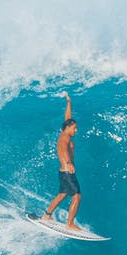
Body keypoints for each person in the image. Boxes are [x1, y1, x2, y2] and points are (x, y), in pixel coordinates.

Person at [42, 92, 82, 230]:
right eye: (74, 128)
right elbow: (63, 150)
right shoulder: (64, 139)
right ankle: (70, 224)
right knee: (77, 196)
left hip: (64, 172)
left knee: (62, 194)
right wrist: (69, 163)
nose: (76, 130)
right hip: (67, 172)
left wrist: (69, 102)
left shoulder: (65, 133)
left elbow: (67, 118)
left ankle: (47, 215)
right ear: (68, 128)